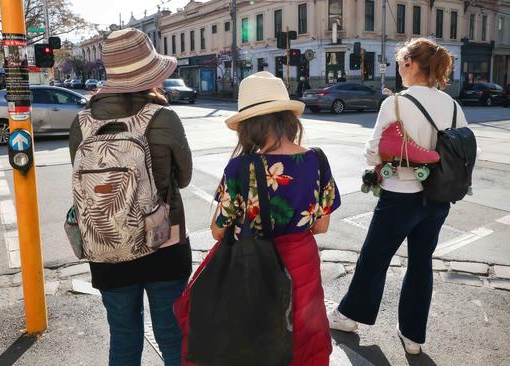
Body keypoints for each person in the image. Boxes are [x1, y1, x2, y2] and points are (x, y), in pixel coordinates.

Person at [328, 38, 467, 355]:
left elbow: (373, 152)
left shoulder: (397, 103)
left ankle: (348, 316)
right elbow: (464, 151)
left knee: (374, 259)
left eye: (400, 62)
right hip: (439, 198)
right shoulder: (455, 106)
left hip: (399, 195)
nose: (398, 69)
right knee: (421, 263)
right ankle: (413, 336)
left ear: (411, 64)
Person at [68, 28, 193, 366]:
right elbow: (184, 178)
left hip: (107, 245)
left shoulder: (81, 123)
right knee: (172, 335)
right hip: (164, 240)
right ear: (150, 73)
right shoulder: (164, 118)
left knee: (123, 337)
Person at [210, 71, 341, 366]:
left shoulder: (240, 168)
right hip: (303, 263)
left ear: (248, 127)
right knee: (303, 333)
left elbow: (218, 231)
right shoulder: (317, 159)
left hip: (253, 267)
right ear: (289, 119)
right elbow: (321, 225)